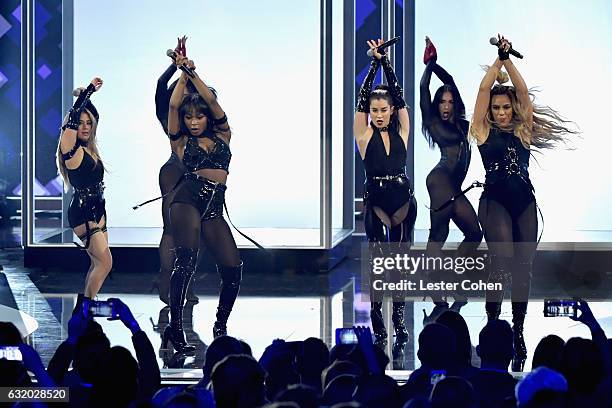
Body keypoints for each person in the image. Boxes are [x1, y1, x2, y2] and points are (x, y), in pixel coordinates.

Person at [470, 34, 577, 371]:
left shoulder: (524, 130)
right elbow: (483, 92)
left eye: (506, 107)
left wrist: (509, 61)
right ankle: (492, 324)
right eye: (496, 108)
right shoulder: (482, 131)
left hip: (524, 202)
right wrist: (498, 60)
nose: (501, 112)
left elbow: (523, 91)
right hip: (495, 202)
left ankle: (517, 330)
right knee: (501, 263)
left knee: (522, 267)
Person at [163, 53, 242, 353]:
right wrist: (182, 74)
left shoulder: (224, 133)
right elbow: (172, 104)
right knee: (186, 263)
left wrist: (193, 72)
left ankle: (220, 324)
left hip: (214, 206)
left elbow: (211, 100)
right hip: (187, 200)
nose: (193, 122)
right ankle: (175, 328)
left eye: (199, 116)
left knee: (233, 268)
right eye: (189, 117)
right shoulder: (181, 142)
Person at [354, 39, 416, 346]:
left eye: (384, 109)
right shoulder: (364, 134)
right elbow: (361, 101)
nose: (378, 114)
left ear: (392, 111)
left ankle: (400, 319)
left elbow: (402, 98)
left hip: (402, 199)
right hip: (376, 201)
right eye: (374, 110)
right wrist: (374, 64)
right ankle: (378, 319)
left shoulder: (402, 129)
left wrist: (387, 65)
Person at [420, 37, 482, 318]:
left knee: (474, 233)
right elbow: (423, 88)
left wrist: (437, 63)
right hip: (440, 179)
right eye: (442, 101)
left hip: (454, 185)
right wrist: (428, 66)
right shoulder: (432, 121)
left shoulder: (463, 122)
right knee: (439, 233)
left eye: (449, 101)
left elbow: (452, 80)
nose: (446, 105)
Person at [150, 36, 201, 305]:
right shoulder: (169, 113)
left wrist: (183, 67)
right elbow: (162, 87)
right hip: (174, 171)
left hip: (197, 174)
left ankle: (184, 285)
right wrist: (177, 67)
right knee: (172, 230)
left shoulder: (198, 110)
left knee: (193, 233)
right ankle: (166, 279)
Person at [56, 77, 112, 301]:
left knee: (98, 262)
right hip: (82, 210)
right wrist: (87, 91)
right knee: (106, 262)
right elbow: (72, 121)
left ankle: (86, 306)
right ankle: (87, 307)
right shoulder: (69, 148)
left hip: (98, 207)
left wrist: (85, 98)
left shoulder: (89, 147)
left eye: (89, 123)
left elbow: (93, 115)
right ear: (72, 125)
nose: (86, 126)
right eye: (81, 123)